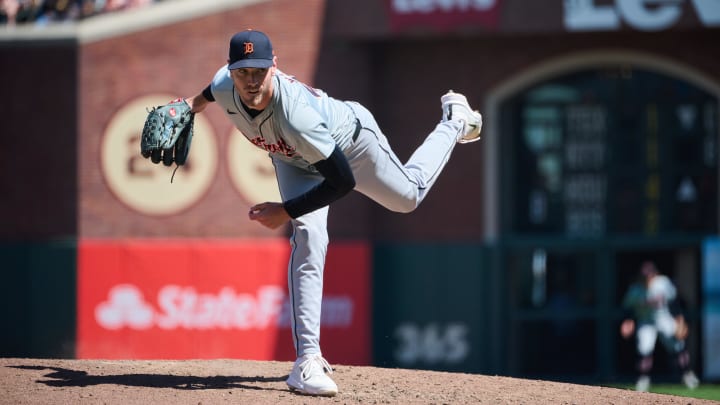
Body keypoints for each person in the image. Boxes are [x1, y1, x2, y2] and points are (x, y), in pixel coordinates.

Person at [183, 29, 482, 396]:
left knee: (408, 197)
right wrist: (189, 107)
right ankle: (307, 361)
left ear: (274, 66)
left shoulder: (296, 115)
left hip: (350, 145)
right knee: (309, 236)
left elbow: (342, 182)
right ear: (231, 70)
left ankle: (454, 120)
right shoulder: (224, 84)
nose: (251, 80)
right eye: (243, 71)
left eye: (259, 70)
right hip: (295, 158)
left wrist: (286, 210)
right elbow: (210, 92)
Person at [619, 261, 700, 392]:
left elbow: (675, 302)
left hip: (664, 318)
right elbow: (628, 309)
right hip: (645, 321)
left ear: (655, 273)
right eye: (645, 275)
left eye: (650, 274)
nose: (647, 277)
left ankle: (687, 374)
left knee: (678, 347)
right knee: (644, 350)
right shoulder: (635, 289)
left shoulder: (663, 283)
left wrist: (680, 320)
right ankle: (643, 379)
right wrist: (628, 321)